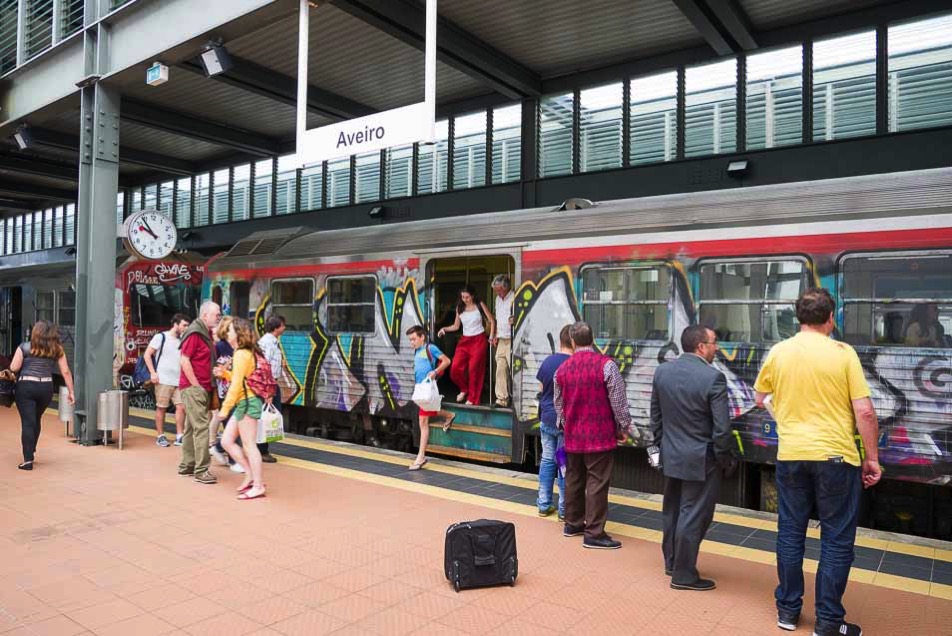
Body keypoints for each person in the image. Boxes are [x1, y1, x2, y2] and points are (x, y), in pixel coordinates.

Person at [754, 288, 882, 636]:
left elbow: (759, 396)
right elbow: (865, 412)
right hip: (836, 456)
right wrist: (872, 458)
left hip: (792, 455)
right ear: (831, 318)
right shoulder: (843, 353)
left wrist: (787, 421)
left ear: (799, 318)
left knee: (791, 532)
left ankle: (788, 611)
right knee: (837, 539)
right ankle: (828, 622)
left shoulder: (779, 352)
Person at [650, 325, 734, 592]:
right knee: (694, 514)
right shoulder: (713, 378)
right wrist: (724, 459)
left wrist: (661, 448)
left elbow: (656, 417)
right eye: (714, 343)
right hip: (701, 459)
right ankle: (684, 574)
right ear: (701, 347)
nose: (716, 347)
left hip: (671, 453)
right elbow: (721, 428)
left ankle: (672, 563)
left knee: (672, 510)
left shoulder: (662, 372)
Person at [554, 321, 635, 549]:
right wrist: (624, 426)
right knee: (597, 482)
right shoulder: (606, 366)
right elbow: (618, 402)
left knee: (574, 478)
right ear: (593, 339)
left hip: (573, 435)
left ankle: (573, 523)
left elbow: (558, 404)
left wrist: (564, 424)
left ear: (572, 341)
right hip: (599, 435)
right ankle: (594, 533)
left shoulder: (562, 370)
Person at [218, 318, 274, 500]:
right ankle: (250, 475)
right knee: (226, 441)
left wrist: (224, 410)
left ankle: (258, 485)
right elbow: (240, 379)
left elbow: (236, 386)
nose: (228, 333)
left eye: (231, 330)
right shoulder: (245, 352)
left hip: (247, 403)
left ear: (239, 334)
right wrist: (225, 373)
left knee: (250, 445)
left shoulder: (241, 354)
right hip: (246, 402)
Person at [9, 321, 75, 470]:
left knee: (28, 422)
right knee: (36, 419)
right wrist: (71, 392)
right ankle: (31, 449)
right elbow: (65, 371)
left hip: (25, 387)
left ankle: (27, 460)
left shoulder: (24, 347)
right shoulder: (57, 349)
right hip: (45, 387)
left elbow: (13, 367)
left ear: (35, 333)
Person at [178, 300, 221, 485]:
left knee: (191, 427)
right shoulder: (195, 333)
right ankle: (202, 470)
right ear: (205, 315)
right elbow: (184, 360)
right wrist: (196, 385)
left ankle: (187, 464)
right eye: (216, 314)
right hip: (195, 387)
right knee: (202, 427)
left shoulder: (206, 333)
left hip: (201, 387)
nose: (219, 317)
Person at [536, 325, 572, 519]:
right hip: (565, 423)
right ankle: (564, 510)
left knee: (548, 460)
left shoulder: (548, 361)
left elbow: (541, 388)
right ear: (574, 342)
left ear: (560, 341)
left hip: (547, 419)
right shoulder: (573, 364)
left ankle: (543, 504)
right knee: (563, 463)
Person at [437, 285, 494, 406]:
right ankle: (464, 389)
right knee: (455, 368)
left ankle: (472, 398)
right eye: (462, 297)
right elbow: (456, 326)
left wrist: (491, 336)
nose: (465, 299)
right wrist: (444, 329)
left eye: (467, 297)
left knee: (474, 370)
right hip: (465, 340)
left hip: (479, 340)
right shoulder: (460, 307)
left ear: (472, 296)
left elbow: (492, 320)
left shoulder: (480, 304)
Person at [406, 325, 453, 470]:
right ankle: (450, 415)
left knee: (423, 422)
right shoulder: (417, 350)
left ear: (422, 337)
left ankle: (420, 457)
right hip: (421, 389)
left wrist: (435, 371)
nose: (411, 342)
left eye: (414, 339)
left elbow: (447, 361)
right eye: (410, 340)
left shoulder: (430, 348)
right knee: (431, 410)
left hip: (427, 388)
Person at [143, 313, 190, 447]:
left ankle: (180, 435)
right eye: (184, 325)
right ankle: (160, 435)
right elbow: (147, 354)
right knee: (161, 407)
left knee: (181, 407)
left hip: (179, 380)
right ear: (176, 325)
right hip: (163, 379)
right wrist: (153, 373)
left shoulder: (183, 340)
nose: (186, 328)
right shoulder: (161, 337)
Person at [209, 317, 244, 474]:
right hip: (226, 391)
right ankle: (233, 460)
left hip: (237, 390)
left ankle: (218, 447)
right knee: (232, 423)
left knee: (234, 424)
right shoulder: (220, 346)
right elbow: (215, 369)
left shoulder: (237, 346)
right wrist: (225, 369)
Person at [256, 315, 286, 463]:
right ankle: (262, 450)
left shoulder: (271, 341)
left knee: (267, 416)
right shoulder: (268, 342)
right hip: (269, 384)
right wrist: (268, 390)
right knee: (265, 418)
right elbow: (264, 366)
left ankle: (261, 448)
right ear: (277, 327)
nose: (284, 328)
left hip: (271, 383)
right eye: (283, 325)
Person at [491, 275, 515, 407]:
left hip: (513, 339)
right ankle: (502, 399)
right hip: (501, 338)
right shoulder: (497, 299)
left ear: (506, 288)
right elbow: (497, 318)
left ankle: (516, 398)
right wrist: (495, 334)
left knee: (514, 369)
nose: (497, 293)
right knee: (500, 368)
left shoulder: (515, 297)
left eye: (499, 290)